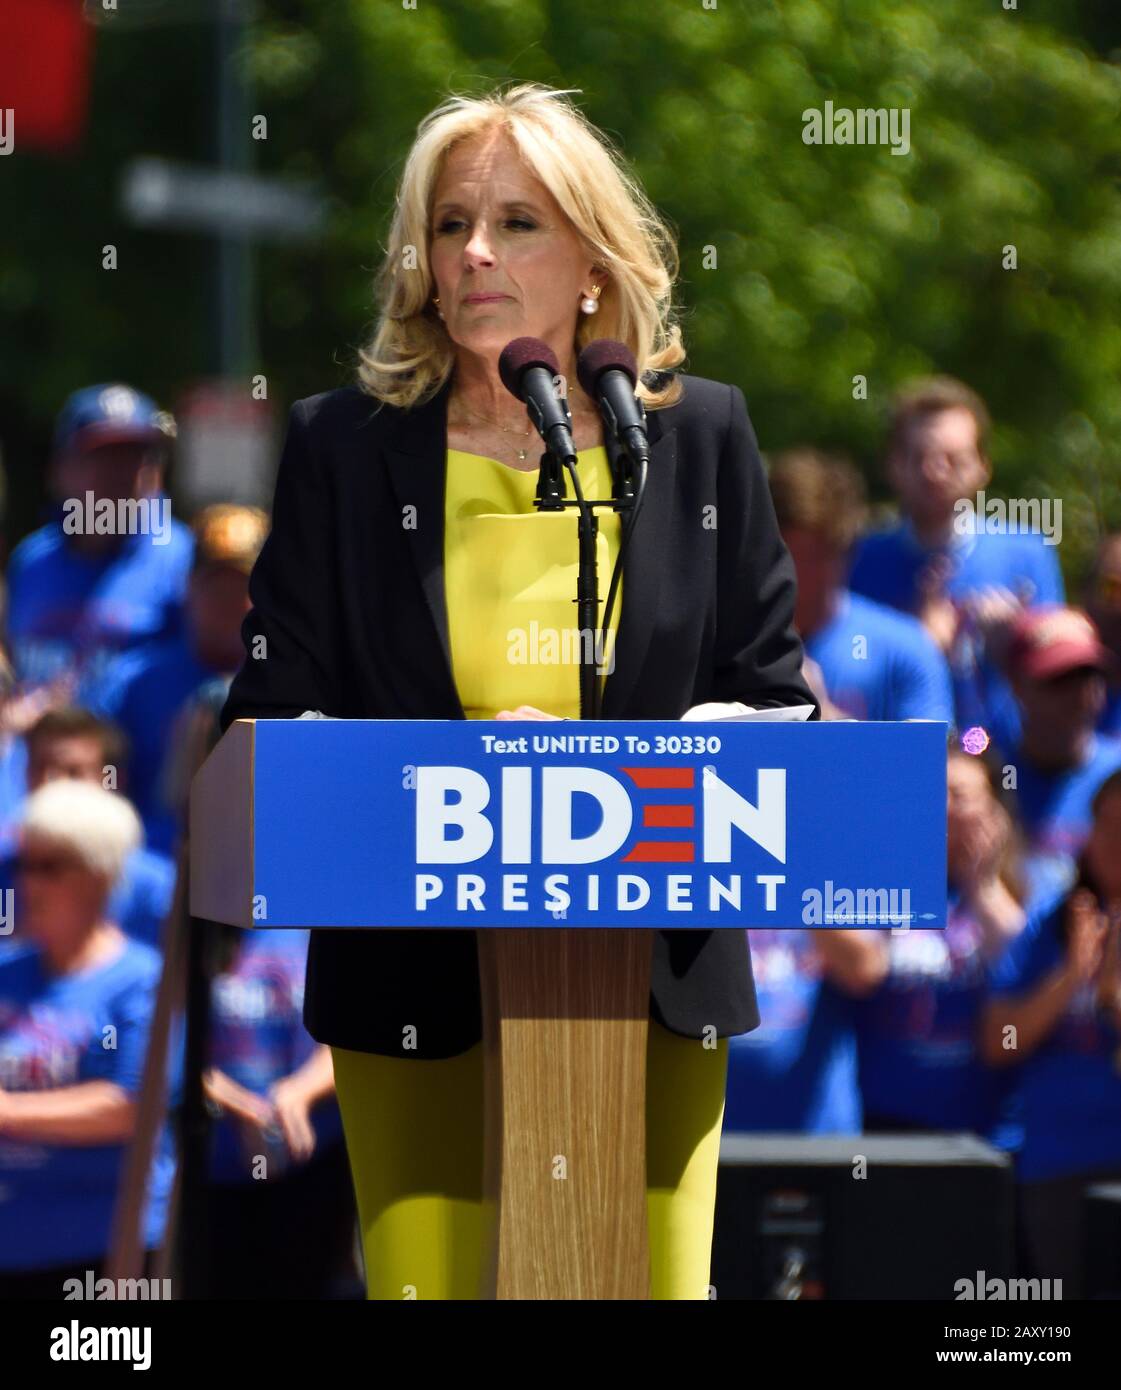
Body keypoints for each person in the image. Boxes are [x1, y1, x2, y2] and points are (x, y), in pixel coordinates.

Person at [219, 82, 818, 1300]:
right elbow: (269, 714)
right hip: (410, 987)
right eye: (448, 225)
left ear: (593, 263)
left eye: (515, 223)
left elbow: (773, 691)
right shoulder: (344, 447)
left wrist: (694, 752)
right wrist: (437, 765)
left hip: (651, 980)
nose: (473, 252)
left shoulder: (697, 435)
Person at [0, 780, 173, 1297]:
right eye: (24, 865)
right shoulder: (8, 972)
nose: (27, 884)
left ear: (98, 875)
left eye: (49, 868)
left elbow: (129, 1107)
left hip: (103, 1253)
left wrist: (7, 1112)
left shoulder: (141, 980)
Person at [848, 377, 1063, 733]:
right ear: (893, 466)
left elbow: (1057, 677)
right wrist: (918, 643)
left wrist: (1013, 646)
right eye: (919, 457)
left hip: (1002, 765)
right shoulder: (860, 559)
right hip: (899, 753)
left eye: (954, 458)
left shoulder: (1027, 554)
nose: (935, 472)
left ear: (983, 466)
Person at [982, 769, 1121, 1297]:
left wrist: (1110, 994)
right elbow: (999, 1041)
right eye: (1104, 826)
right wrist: (1070, 979)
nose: (1112, 843)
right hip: (1057, 1167)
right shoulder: (1051, 922)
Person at [853, 747, 1026, 1146]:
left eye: (959, 795)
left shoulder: (1020, 890)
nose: (942, 808)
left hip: (981, 1132)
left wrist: (982, 886)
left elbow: (1021, 966)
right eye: (931, 794)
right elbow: (858, 964)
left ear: (995, 813)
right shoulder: (884, 885)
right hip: (882, 1125)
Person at [93, 504, 268, 855]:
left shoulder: (290, 683)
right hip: (149, 862)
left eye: (240, 588)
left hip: (259, 864)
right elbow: (96, 787)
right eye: (214, 587)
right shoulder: (132, 680)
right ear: (188, 588)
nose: (227, 602)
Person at [193, 927, 358, 1300]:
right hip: (213, 1167)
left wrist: (300, 1091)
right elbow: (160, 1038)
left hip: (313, 1157)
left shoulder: (312, 922)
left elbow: (353, 1031)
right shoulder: (191, 920)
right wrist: (229, 1097)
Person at [6, 384, 193, 709]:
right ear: (59, 471)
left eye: (137, 457)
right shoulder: (32, 559)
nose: (123, 473)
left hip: (148, 759)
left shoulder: (184, 559)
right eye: (103, 456)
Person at [768, 447, 953, 723]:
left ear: (848, 552)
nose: (799, 573)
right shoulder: (726, 646)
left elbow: (927, 762)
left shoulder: (906, 649)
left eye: (817, 557)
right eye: (789, 554)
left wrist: (826, 719)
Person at [0, 708, 174, 950]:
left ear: (111, 781)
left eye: (74, 772)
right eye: (41, 768)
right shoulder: (4, 871)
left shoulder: (156, 890)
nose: (55, 785)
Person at [998, 606, 1121, 909]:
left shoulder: (1117, 775)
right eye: (1059, 678)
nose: (1079, 694)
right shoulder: (991, 777)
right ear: (1017, 685)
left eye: (1088, 675)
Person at [723, 928, 880, 1135]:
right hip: (715, 1129)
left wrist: (802, 901)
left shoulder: (827, 896)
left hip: (816, 1130)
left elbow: (865, 969)